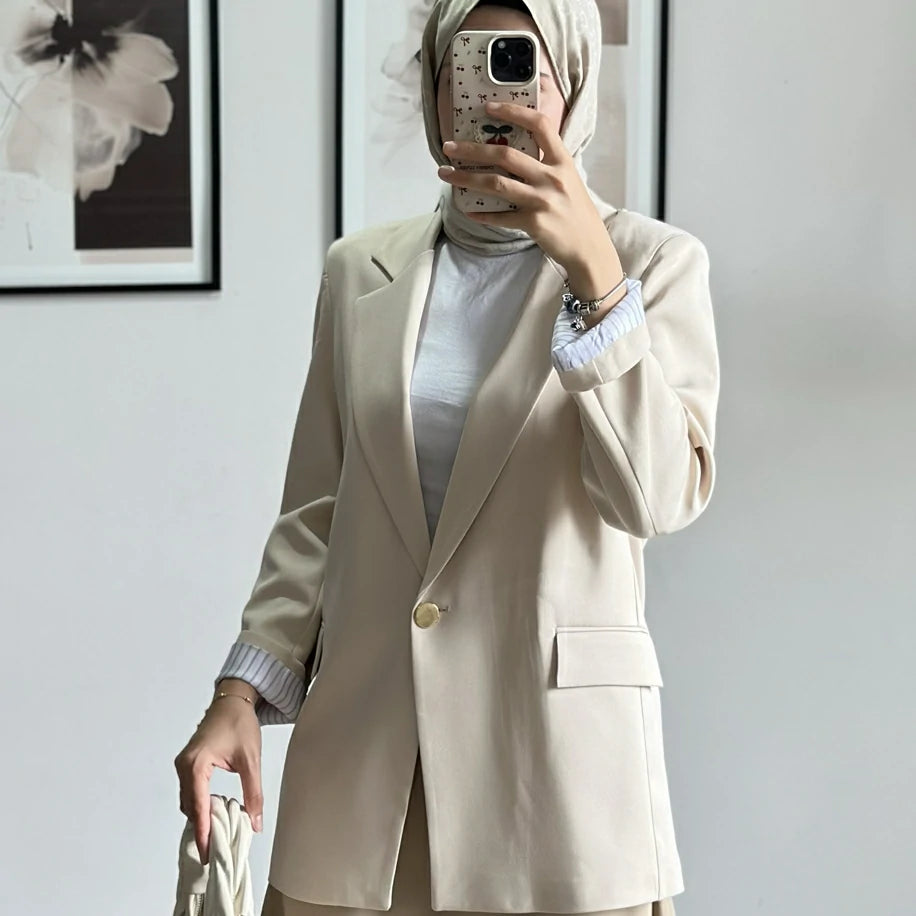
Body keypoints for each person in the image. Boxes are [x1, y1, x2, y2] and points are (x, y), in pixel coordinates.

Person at [174, 1, 719, 915]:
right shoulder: (360, 270)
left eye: (524, 64)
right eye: (468, 63)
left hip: (558, 786)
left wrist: (598, 285)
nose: (496, 93)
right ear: (436, 86)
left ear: (574, 83)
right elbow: (318, 510)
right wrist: (242, 690)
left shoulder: (654, 266)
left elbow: (658, 499)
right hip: (364, 778)